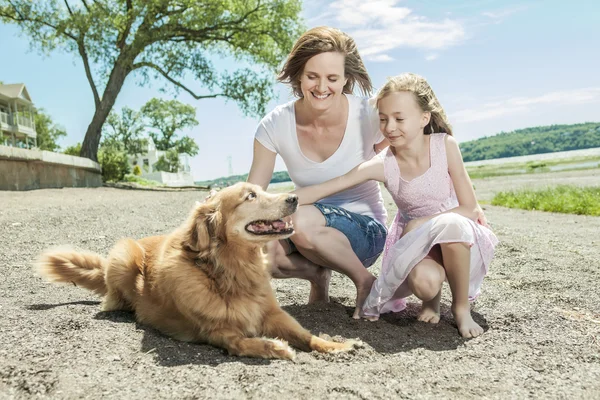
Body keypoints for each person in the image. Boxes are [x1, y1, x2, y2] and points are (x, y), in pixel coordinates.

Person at [293, 73, 498, 338]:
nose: (390, 127)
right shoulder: (383, 164)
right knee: (424, 284)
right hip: (417, 246)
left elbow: (469, 209)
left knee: (452, 225)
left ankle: (461, 309)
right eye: (383, 119)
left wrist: (420, 223)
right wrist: (273, 203)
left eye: (399, 119)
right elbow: (327, 188)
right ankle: (431, 300)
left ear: (424, 118)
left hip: (458, 240)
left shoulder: (444, 146)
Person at [247, 26, 389, 319]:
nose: (322, 87)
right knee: (259, 249)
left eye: (332, 78)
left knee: (296, 216)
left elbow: (420, 143)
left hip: (365, 233)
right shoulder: (274, 125)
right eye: (313, 76)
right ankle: (317, 275)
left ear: (346, 79)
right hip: (305, 231)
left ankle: (365, 281)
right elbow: (253, 196)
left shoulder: (371, 114)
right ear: (299, 75)